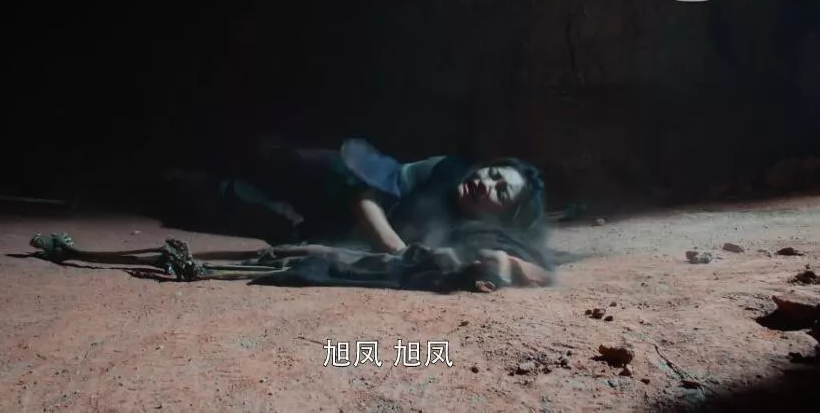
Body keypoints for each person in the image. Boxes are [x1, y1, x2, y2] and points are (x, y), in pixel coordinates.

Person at [162, 137, 556, 287]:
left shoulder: (473, 235)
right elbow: (365, 198)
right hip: (336, 185)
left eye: (500, 190)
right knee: (272, 158)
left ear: (501, 216)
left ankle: (187, 187)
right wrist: (398, 251)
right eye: (492, 174)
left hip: (323, 228)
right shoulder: (446, 170)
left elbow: (527, 267)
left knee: (224, 208)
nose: (486, 182)